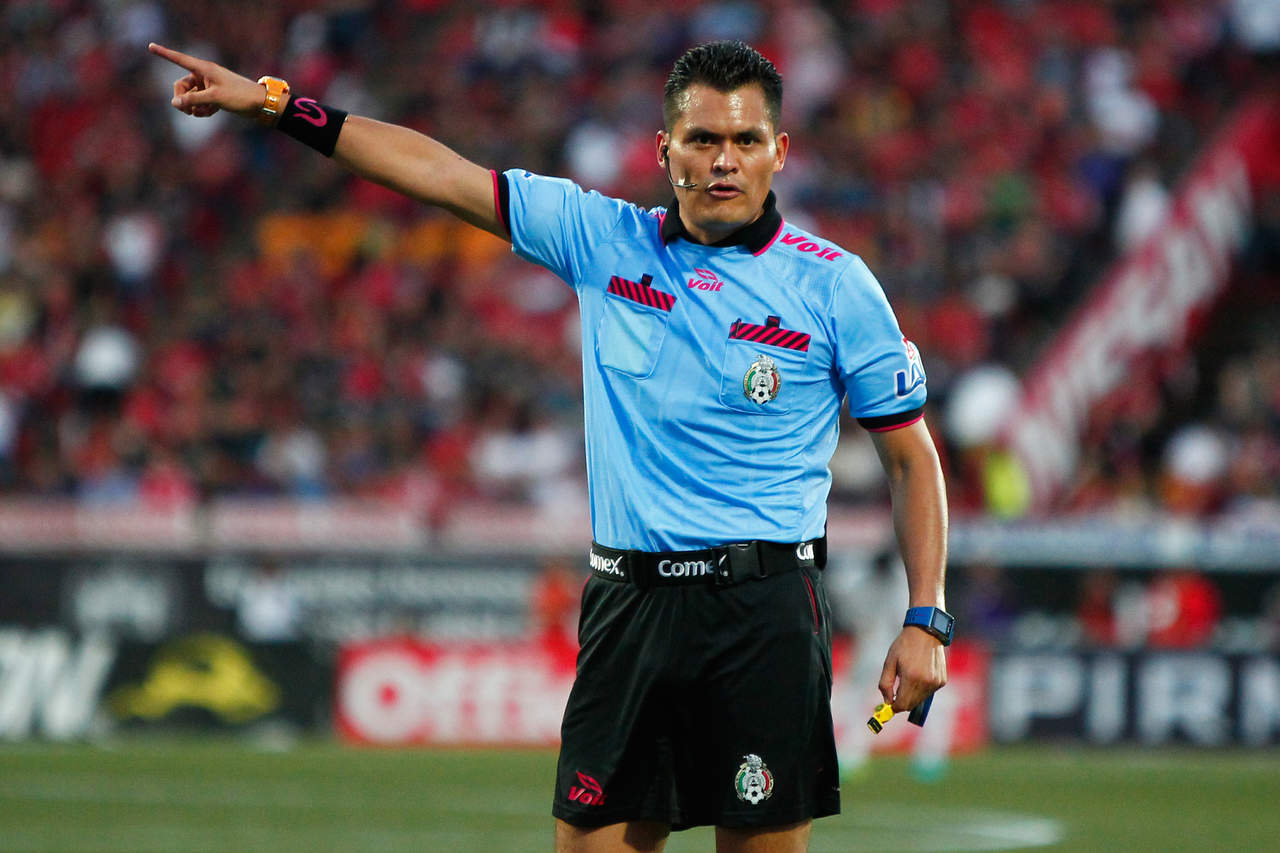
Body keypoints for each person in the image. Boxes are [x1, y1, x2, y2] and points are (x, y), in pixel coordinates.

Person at [150, 38, 950, 853]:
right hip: (628, 606)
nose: (723, 160)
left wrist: (927, 615)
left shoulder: (835, 285)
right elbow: (439, 173)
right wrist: (278, 105)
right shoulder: (602, 239)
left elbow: (911, 457)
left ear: (779, 151)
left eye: (746, 140)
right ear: (664, 148)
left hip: (762, 611)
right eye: (703, 138)